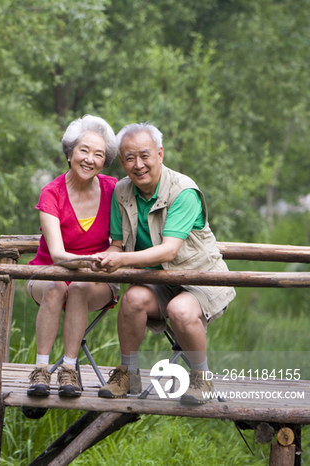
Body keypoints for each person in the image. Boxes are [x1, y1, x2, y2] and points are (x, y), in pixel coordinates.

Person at [94, 122, 236, 405]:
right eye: (130, 158)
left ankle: (201, 378)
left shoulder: (183, 191)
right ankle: (127, 374)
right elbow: (117, 243)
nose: (138, 164)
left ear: (160, 154)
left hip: (200, 278)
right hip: (159, 281)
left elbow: (168, 251)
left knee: (180, 310)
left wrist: (121, 259)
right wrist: (106, 257)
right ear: (121, 161)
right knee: (132, 299)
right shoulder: (122, 191)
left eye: (144, 155)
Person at [27, 115, 120, 398]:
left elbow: (118, 243)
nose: (90, 159)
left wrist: (107, 259)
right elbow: (56, 254)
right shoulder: (51, 193)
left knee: (78, 287)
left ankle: (69, 369)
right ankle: (41, 369)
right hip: (50, 273)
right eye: (84, 150)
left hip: (96, 277)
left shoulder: (114, 189)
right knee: (58, 286)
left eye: (98, 154)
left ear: (105, 161)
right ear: (69, 153)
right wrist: (86, 262)